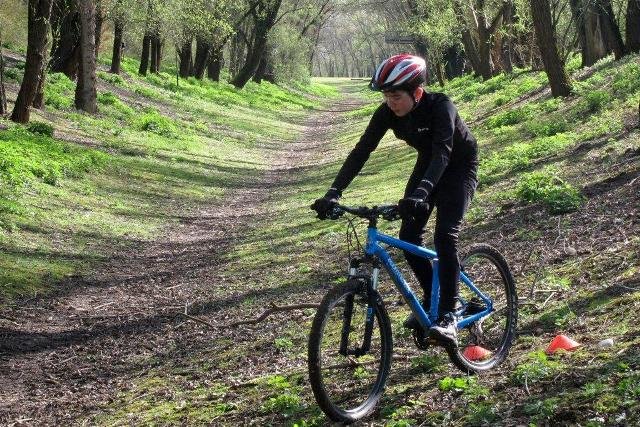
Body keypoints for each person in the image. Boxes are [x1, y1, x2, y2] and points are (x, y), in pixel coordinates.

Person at [311, 54, 478, 346]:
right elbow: (361, 151)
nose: (391, 102)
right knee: (409, 233)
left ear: (416, 92)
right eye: (387, 96)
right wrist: (333, 191)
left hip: (458, 167)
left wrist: (421, 194)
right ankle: (432, 300)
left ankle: (449, 315)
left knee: (445, 236)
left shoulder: (442, 107)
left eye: (396, 96)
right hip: (429, 164)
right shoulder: (386, 113)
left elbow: (443, 153)